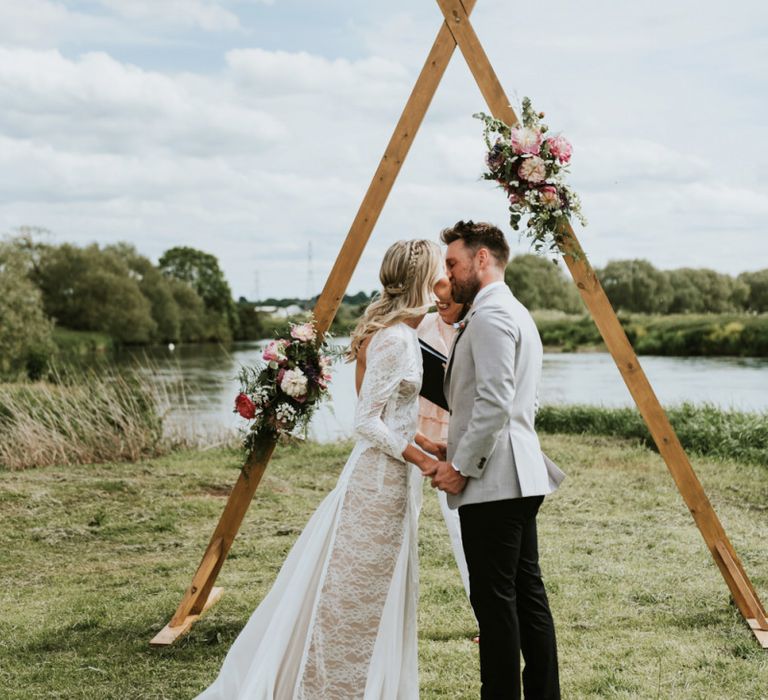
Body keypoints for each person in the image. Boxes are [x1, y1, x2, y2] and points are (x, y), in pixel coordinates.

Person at [195, 239, 445, 699]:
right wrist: (420, 458)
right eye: (439, 269)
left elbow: (397, 418)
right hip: (377, 483)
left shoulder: (405, 333)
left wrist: (429, 443)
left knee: (382, 590)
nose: (445, 277)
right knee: (355, 596)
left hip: (395, 479)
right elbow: (366, 422)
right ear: (422, 279)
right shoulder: (394, 339)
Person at [430, 220, 565, 700]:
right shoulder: (515, 311)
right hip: (518, 475)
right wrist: (459, 443)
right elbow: (507, 406)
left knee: (495, 604)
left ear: (481, 259)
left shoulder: (489, 316)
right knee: (527, 597)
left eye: (452, 263)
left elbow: (494, 401)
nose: (449, 272)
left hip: (493, 483)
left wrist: (461, 465)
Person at [415, 279, 473, 605]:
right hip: (414, 435)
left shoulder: (475, 330)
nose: (440, 307)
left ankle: (484, 614)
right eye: (437, 303)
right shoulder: (418, 327)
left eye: (447, 303)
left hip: (454, 438)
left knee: (462, 530)